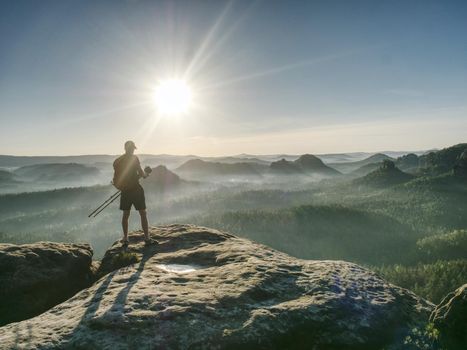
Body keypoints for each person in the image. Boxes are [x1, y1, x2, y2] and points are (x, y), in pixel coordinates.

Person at [113, 140, 157, 247]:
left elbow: (116, 177)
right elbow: (142, 174)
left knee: (125, 214)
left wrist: (122, 186)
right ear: (131, 148)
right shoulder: (134, 159)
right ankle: (147, 238)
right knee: (143, 213)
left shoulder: (117, 161)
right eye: (133, 148)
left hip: (125, 191)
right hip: (136, 190)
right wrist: (146, 174)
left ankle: (125, 238)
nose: (133, 150)